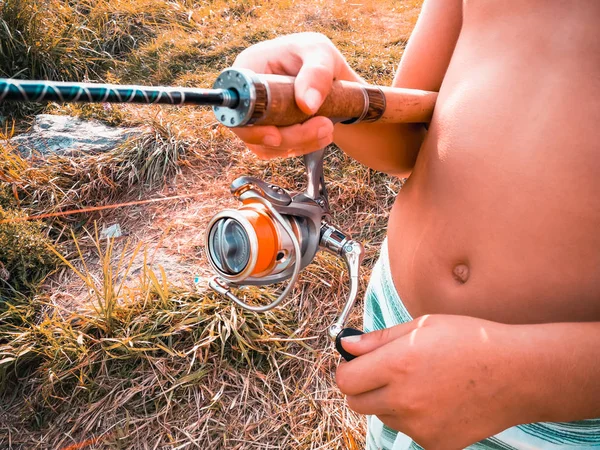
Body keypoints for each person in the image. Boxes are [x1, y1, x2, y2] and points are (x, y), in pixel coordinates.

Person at [229, 0, 600, 448]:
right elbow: (406, 143)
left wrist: (525, 376)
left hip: (552, 405)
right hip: (396, 318)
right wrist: (326, 91)